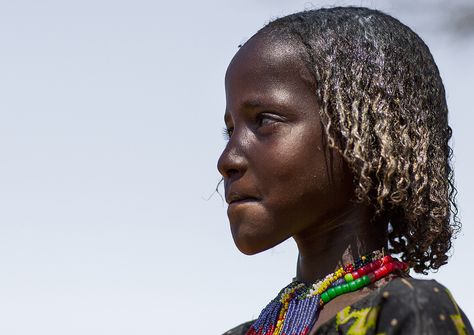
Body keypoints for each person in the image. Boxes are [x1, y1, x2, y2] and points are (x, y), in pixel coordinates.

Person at [217, 6, 473, 335]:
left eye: (264, 120)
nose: (227, 159)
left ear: (361, 135)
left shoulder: (408, 312)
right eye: (231, 130)